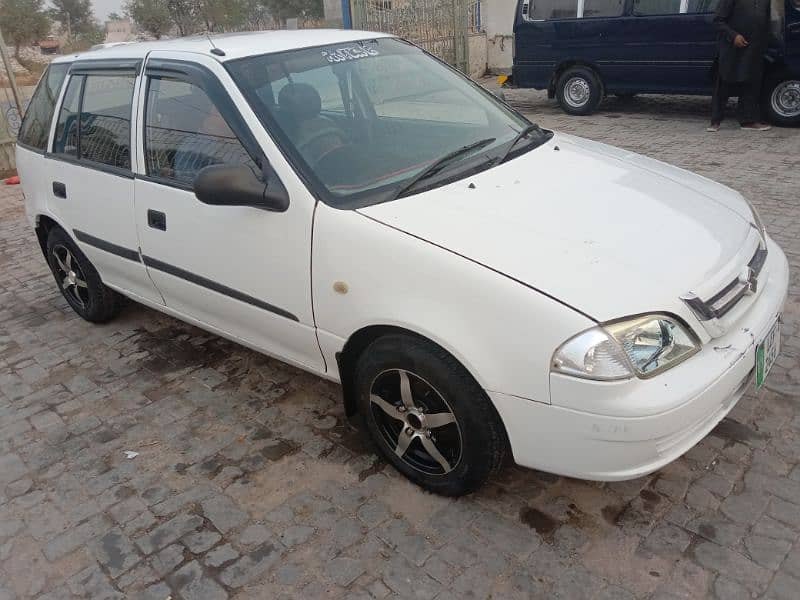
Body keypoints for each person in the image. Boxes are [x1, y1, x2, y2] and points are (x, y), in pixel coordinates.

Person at [708, 0, 772, 132]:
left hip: (754, 48)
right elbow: (718, 20)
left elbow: (767, 21)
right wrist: (734, 36)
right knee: (724, 83)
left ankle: (747, 121)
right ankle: (715, 121)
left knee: (751, 84)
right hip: (731, 47)